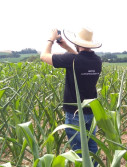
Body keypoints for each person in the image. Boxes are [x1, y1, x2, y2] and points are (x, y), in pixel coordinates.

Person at [40, 27, 102, 159]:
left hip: (74, 113)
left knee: (78, 152)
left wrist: (51, 39)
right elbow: (80, 59)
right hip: (91, 110)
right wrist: (67, 47)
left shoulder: (72, 60)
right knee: (91, 148)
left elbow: (43, 56)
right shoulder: (97, 60)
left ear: (78, 43)